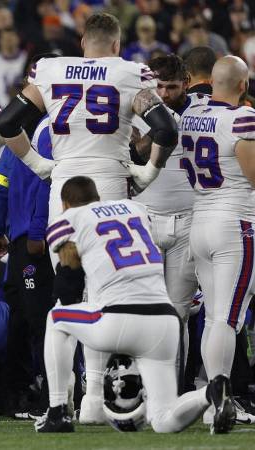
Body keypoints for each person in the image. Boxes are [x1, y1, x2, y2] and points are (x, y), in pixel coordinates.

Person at [0, 12, 178, 424]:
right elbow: (165, 130)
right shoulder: (131, 72)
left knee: (65, 300)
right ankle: (95, 398)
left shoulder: (50, 69)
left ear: (83, 42)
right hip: (110, 184)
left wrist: (40, 164)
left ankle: (62, 403)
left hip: (64, 188)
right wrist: (147, 172)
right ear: (116, 45)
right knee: (102, 296)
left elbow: (7, 123)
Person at [35, 176, 234, 434]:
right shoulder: (135, 209)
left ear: (64, 204)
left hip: (117, 319)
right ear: (97, 197)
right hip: (164, 321)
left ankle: (57, 410)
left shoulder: (71, 218)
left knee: (57, 318)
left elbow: (68, 288)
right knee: (163, 419)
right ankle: (211, 391)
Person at [180, 55, 255, 426]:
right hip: (235, 223)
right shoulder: (241, 118)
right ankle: (222, 398)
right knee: (226, 317)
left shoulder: (191, 115)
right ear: (243, 85)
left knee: (215, 317)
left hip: (201, 219)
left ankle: (215, 400)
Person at [130, 55, 206, 387]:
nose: (163, 93)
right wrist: (162, 123)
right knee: (143, 312)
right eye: (158, 86)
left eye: (171, 87)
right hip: (144, 218)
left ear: (186, 83)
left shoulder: (202, 114)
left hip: (189, 220)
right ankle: (140, 390)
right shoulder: (139, 108)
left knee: (177, 314)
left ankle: (172, 391)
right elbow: (136, 156)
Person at [0, 115, 54, 417]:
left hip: (29, 238)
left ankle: (39, 394)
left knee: (31, 318)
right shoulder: (51, 129)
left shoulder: (24, 133)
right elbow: (2, 185)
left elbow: (1, 186)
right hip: (28, 238)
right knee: (30, 317)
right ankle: (37, 393)